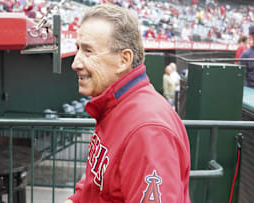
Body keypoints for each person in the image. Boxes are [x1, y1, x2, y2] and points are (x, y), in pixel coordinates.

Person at [65, 4, 190, 203]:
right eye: (78, 49)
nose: (75, 63)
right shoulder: (114, 106)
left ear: (124, 60)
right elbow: (97, 186)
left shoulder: (148, 130)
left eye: (88, 51)